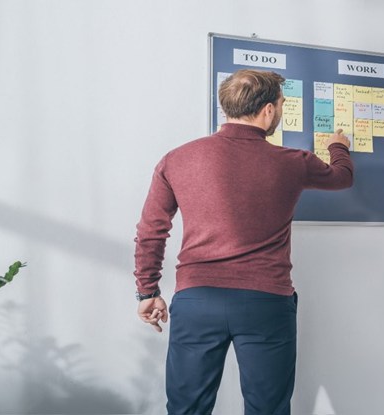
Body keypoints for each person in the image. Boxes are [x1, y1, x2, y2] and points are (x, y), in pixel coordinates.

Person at [132, 69, 354, 414]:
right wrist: (339, 146)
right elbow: (342, 178)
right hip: (266, 303)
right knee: (268, 408)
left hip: (196, 300)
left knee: (186, 408)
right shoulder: (294, 162)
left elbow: (151, 230)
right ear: (268, 110)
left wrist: (148, 291)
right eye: (280, 105)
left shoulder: (177, 158)